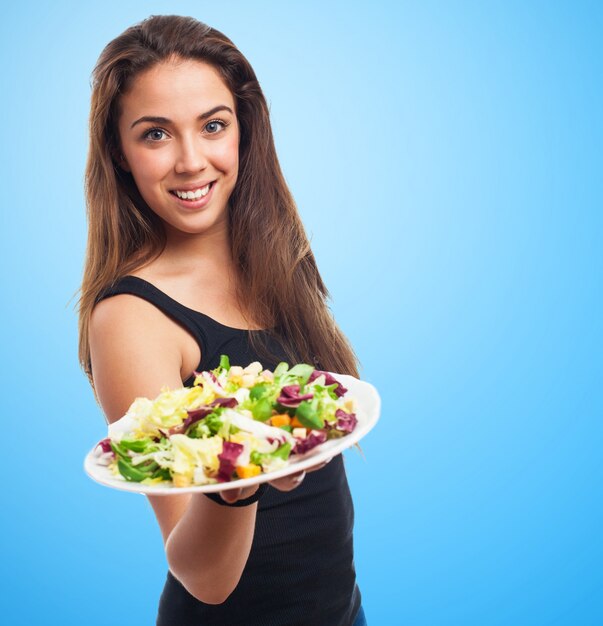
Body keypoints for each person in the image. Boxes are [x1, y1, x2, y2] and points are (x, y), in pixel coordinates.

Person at [77, 14, 368, 626]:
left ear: (244, 131)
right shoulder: (131, 316)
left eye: (213, 126)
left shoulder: (275, 263)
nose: (190, 161)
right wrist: (237, 482)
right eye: (155, 134)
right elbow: (203, 578)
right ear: (120, 155)